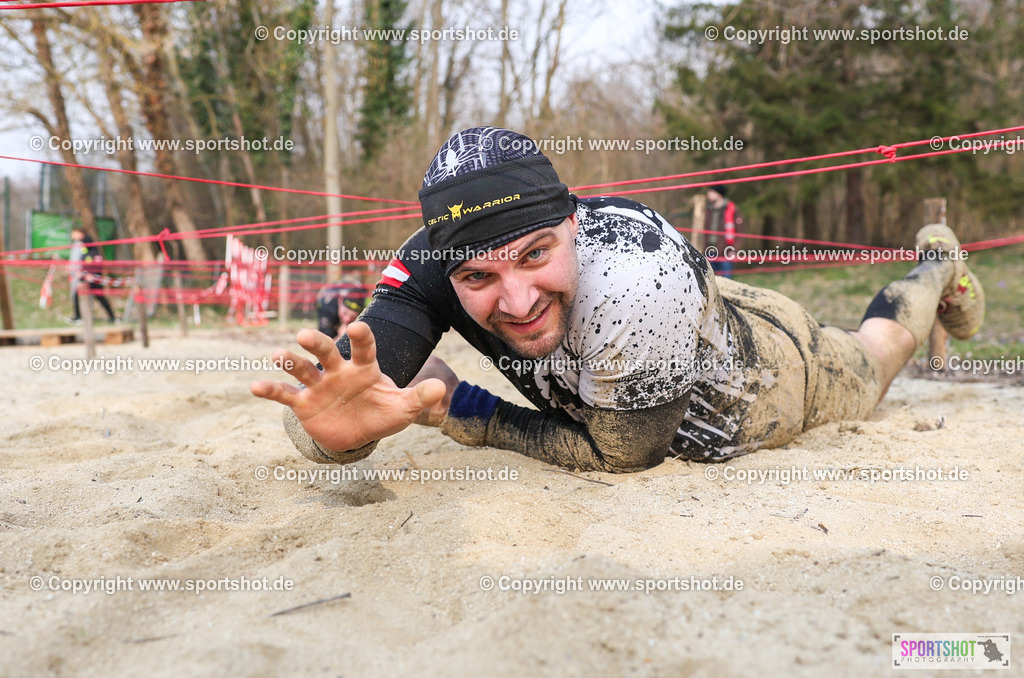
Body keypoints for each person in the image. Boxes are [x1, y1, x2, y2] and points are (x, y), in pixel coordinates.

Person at [251, 126, 985, 473]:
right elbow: (349, 388)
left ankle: (935, 264)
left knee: (877, 351)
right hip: (687, 308)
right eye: (477, 277)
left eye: (535, 254)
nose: (515, 300)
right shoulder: (430, 264)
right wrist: (335, 433)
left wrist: (458, 409)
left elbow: (624, 452)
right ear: (446, 267)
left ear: (573, 223)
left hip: (774, 375)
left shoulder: (636, 281)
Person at [66, 227, 117, 325]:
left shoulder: (93, 251)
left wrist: (92, 275)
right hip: (85, 278)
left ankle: (112, 317)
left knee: (100, 297)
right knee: (77, 294)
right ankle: (78, 316)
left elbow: (97, 265)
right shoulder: (84, 252)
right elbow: (84, 264)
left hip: (94, 279)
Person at [705, 184, 741, 278]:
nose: (708, 194)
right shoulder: (708, 210)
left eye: (711, 191)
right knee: (711, 279)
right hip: (709, 250)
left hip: (726, 251)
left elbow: (740, 232)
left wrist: (734, 249)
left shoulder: (731, 209)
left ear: (718, 194)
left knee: (727, 280)